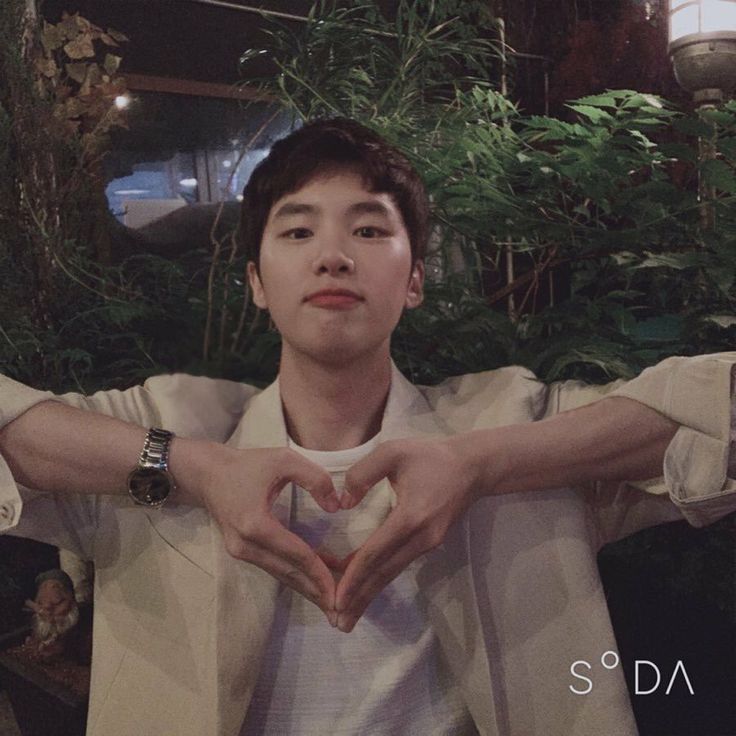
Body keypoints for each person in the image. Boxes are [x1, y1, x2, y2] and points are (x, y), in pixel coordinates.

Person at [0, 117, 734, 736]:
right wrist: (196, 470)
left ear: (415, 278)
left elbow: (716, 414)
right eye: (296, 230)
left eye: (369, 227)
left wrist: (481, 464)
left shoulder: (511, 423)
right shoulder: (170, 425)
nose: (332, 255)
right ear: (255, 280)